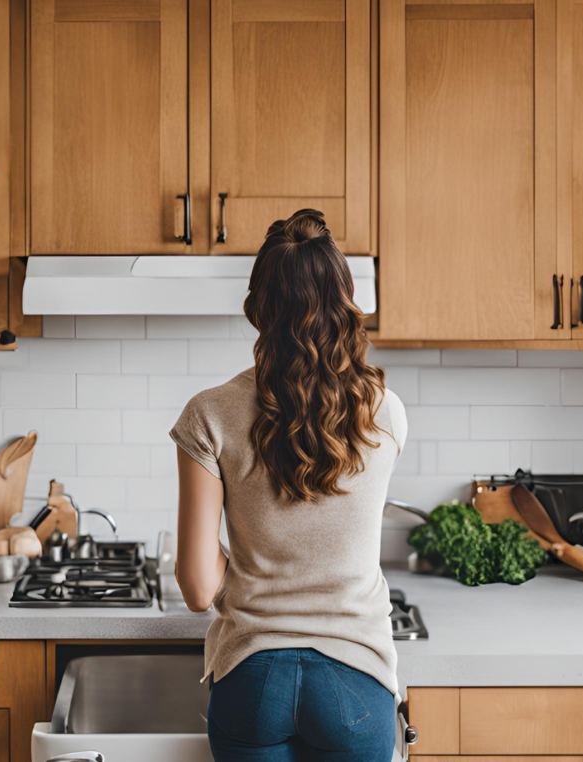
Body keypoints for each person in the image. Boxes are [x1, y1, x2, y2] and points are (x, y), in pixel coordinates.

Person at [170, 209, 408, 762]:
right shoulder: (387, 413)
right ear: (345, 300)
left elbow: (197, 586)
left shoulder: (209, 415)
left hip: (254, 681)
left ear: (257, 307)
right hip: (358, 684)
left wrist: (250, 565)